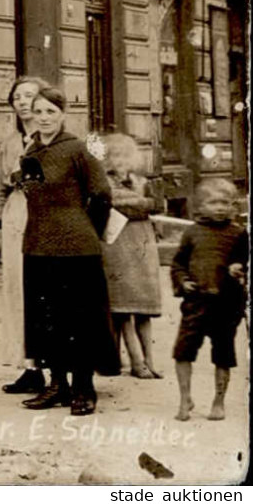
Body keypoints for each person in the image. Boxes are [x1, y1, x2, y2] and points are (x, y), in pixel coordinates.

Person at [15, 85, 118, 417]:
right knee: (46, 319)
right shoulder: (30, 150)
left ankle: (84, 389)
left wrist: (85, 228)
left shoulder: (80, 148)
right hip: (38, 244)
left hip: (76, 248)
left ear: (62, 115)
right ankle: (57, 385)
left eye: (51, 112)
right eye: (38, 111)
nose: (43, 118)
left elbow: (101, 193)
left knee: (80, 319)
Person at [170, 178, 247, 422]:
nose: (220, 207)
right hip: (196, 302)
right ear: (200, 206)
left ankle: (218, 401)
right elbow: (178, 263)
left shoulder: (239, 233)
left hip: (227, 303)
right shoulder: (192, 232)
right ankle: (185, 399)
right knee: (183, 351)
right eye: (213, 202)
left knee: (223, 354)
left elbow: (244, 260)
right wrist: (183, 281)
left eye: (225, 202)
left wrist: (239, 269)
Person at [98, 132, 164, 379]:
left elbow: (157, 203)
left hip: (142, 244)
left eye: (126, 155)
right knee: (123, 307)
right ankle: (137, 362)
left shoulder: (140, 180)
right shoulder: (104, 182)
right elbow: (115, 202)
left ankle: (149, 359)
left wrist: (142, 202)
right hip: (117, 245)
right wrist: (143, 203)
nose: (121, 160)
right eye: (115, 155)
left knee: (144, 306)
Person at [0, 75, 47, 394]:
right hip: (17, 213)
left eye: (30, 95)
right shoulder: (10, 143)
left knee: (44, 289)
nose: (23, 102)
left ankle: (55, 366)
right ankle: (30, 367)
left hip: (47, 214)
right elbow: (1, 185)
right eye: (17, 97)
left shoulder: (52, 138)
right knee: (18, 289)